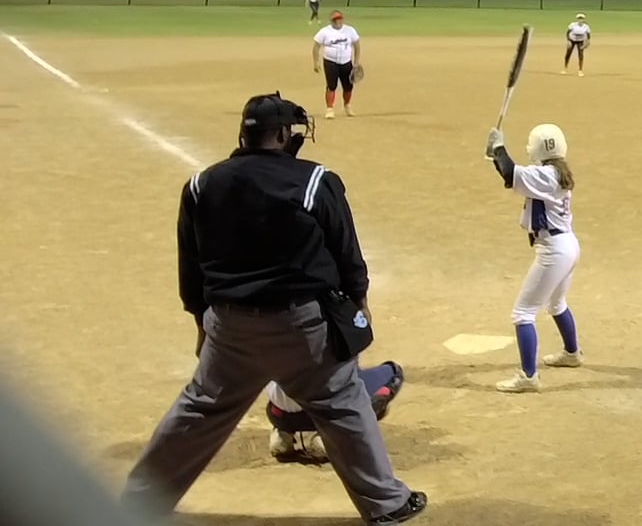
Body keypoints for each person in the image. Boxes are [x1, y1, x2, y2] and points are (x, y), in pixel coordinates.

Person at [122, 93, 426, 524]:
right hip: (304, 325)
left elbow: (191, 268)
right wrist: (360, 303)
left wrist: (201, 325)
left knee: (200, 409)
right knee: (342, 402)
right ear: (283, 134)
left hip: (230, 327)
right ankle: (386, 504)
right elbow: (348, 256)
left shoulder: (202, 185)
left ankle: (138, 504)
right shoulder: (315, 180)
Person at [484, 124, 584, 393]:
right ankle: (572, 353)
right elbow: (511, 175)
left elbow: (512, 173)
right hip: (567, 245)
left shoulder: (545, 176)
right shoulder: (555, 173)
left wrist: (499, 147)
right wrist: (496, 155)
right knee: (556, 303)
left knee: (523, 313)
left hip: (553, 250)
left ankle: (528, 377)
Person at [266, 362, 405, 463]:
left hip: (280, 413)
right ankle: (330, 437)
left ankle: (282, 433)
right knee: (393, 372)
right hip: (325, 412)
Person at [313, 11, 362, 119]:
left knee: (348, 86)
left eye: (339, 19)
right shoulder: (325, 31)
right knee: (331, 86)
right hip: (330, 62)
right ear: (331, 21)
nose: (337, 21)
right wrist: (316, 62)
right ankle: (330, 109)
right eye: (335, 20)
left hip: (346, 62)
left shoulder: (349, 30)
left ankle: (347, 105)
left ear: (342, 19)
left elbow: (357, 45)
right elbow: (316, 46)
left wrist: (356, 62)